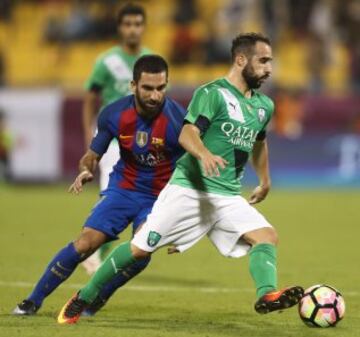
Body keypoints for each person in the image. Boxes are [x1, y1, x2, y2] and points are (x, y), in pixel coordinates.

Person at [57, 33, 304, 325]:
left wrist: (264, 179)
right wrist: (204, 155)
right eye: (263, 60)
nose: (268, 68)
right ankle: (84, 296)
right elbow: (188, 134)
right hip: (189, 190)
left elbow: (259, 143)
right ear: (241, 60)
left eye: (270, 62)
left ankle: (267, 295)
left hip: (226, 196)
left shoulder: (264, 106)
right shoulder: (212, 93)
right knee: (139, 248)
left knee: (267, 236)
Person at [13, 55, 186, 316]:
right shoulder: (114, 114)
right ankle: (32, 301)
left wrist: (185, 223)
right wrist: (85, 170)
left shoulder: (179, 122)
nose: (154, 96)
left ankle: (98, 296)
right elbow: (92, 155)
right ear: (133, 86)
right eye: (147, 88)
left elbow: (191, 171)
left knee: (141, 251)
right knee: (84, 243)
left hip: (159, 198)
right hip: (123, 189)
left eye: (160, 88)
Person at [82, 3, 151, 274]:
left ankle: (98, 251)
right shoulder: (107, 60)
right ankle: (94, 251)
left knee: (139, 199)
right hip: (112, 139)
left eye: (137, 24)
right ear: (120, 27)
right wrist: (90, 130)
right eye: (128, 24)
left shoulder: (151, 59)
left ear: (144, 27)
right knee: (114, 195)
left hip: (144, 141)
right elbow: (90, 97)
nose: (133, 29)